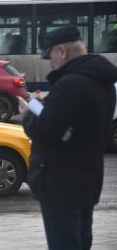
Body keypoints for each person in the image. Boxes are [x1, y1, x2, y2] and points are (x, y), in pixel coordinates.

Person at [18, 26, 117, 249]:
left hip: (61, 184)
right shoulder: (104, 82)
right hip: (87, 180)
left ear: (61, 51)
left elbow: (45, 130)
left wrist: (27, 115)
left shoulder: (71, 84)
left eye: (50, 56)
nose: (50, 63)